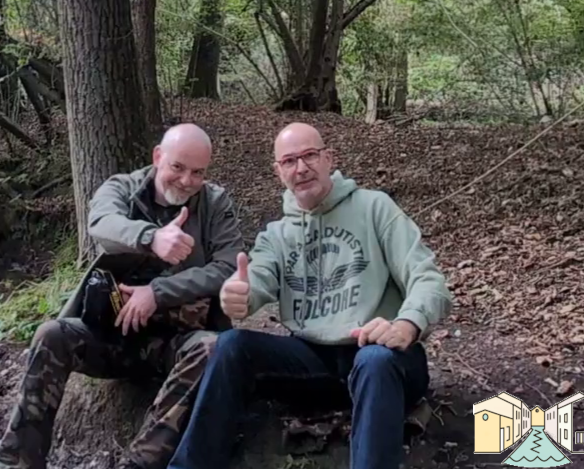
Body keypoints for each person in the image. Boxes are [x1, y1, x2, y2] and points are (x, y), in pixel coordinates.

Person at [167, 122, 454, 469]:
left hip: (383, 358)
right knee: (232, 345)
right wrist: (238, 295)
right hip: (312, 363)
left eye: (309, 156)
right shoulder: (276, 234)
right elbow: (256, 281)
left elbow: (429, 279)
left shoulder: (374, 208)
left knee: (374, 360)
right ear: (278, 172)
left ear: (328, 158)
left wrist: (406, 325)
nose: (301, 168)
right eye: (289, 161)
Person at [0, 123, 245, 469]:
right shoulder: (121, 188)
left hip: (179, 341)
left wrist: (157, 293)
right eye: (178, 167)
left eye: (198, 172)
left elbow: (228, 266)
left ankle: (139, 463)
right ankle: (18, 461)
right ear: (158, 157)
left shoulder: (215, 203)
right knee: (52, 334)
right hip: (112, 335)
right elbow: (102, 222)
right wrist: (151, 238)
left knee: (212, 348)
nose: (187, 180)